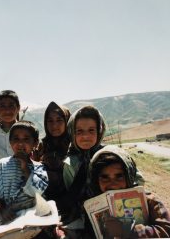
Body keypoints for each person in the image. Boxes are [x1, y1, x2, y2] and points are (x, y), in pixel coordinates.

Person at [87, 145, 170, 238]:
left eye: (119, 176)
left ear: (129, 175)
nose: (113, 184)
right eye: (104, 177)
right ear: (96, 180)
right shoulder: (93, 205)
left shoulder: (149, 201)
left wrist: (127, 230)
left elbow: (166, 232)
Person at [0, 120, 48, 225]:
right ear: (10, 142)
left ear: (35, 143)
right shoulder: (2, 164)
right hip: (8, 214)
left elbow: (36, 192)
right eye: (16, 139)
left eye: (26, 139)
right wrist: (0, 209)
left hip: (32, 214)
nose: (20, 143)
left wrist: (25, 168)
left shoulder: (39, 168)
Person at [58, 105, 107, 236]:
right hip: (80, 216)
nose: (85, 136)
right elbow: (71, 194)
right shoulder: (70, 163)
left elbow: (136, 180)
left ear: (100, 131)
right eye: (79, 131)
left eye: (91, 130)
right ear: (72, 133)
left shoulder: (109, 156)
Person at [36, 102, 71, 208]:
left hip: (70, 196)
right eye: (50, 121)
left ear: (67, 121)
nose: (54, 125)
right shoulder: (42, 145)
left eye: (59, 120)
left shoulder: (73, 145)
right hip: (46, 197)